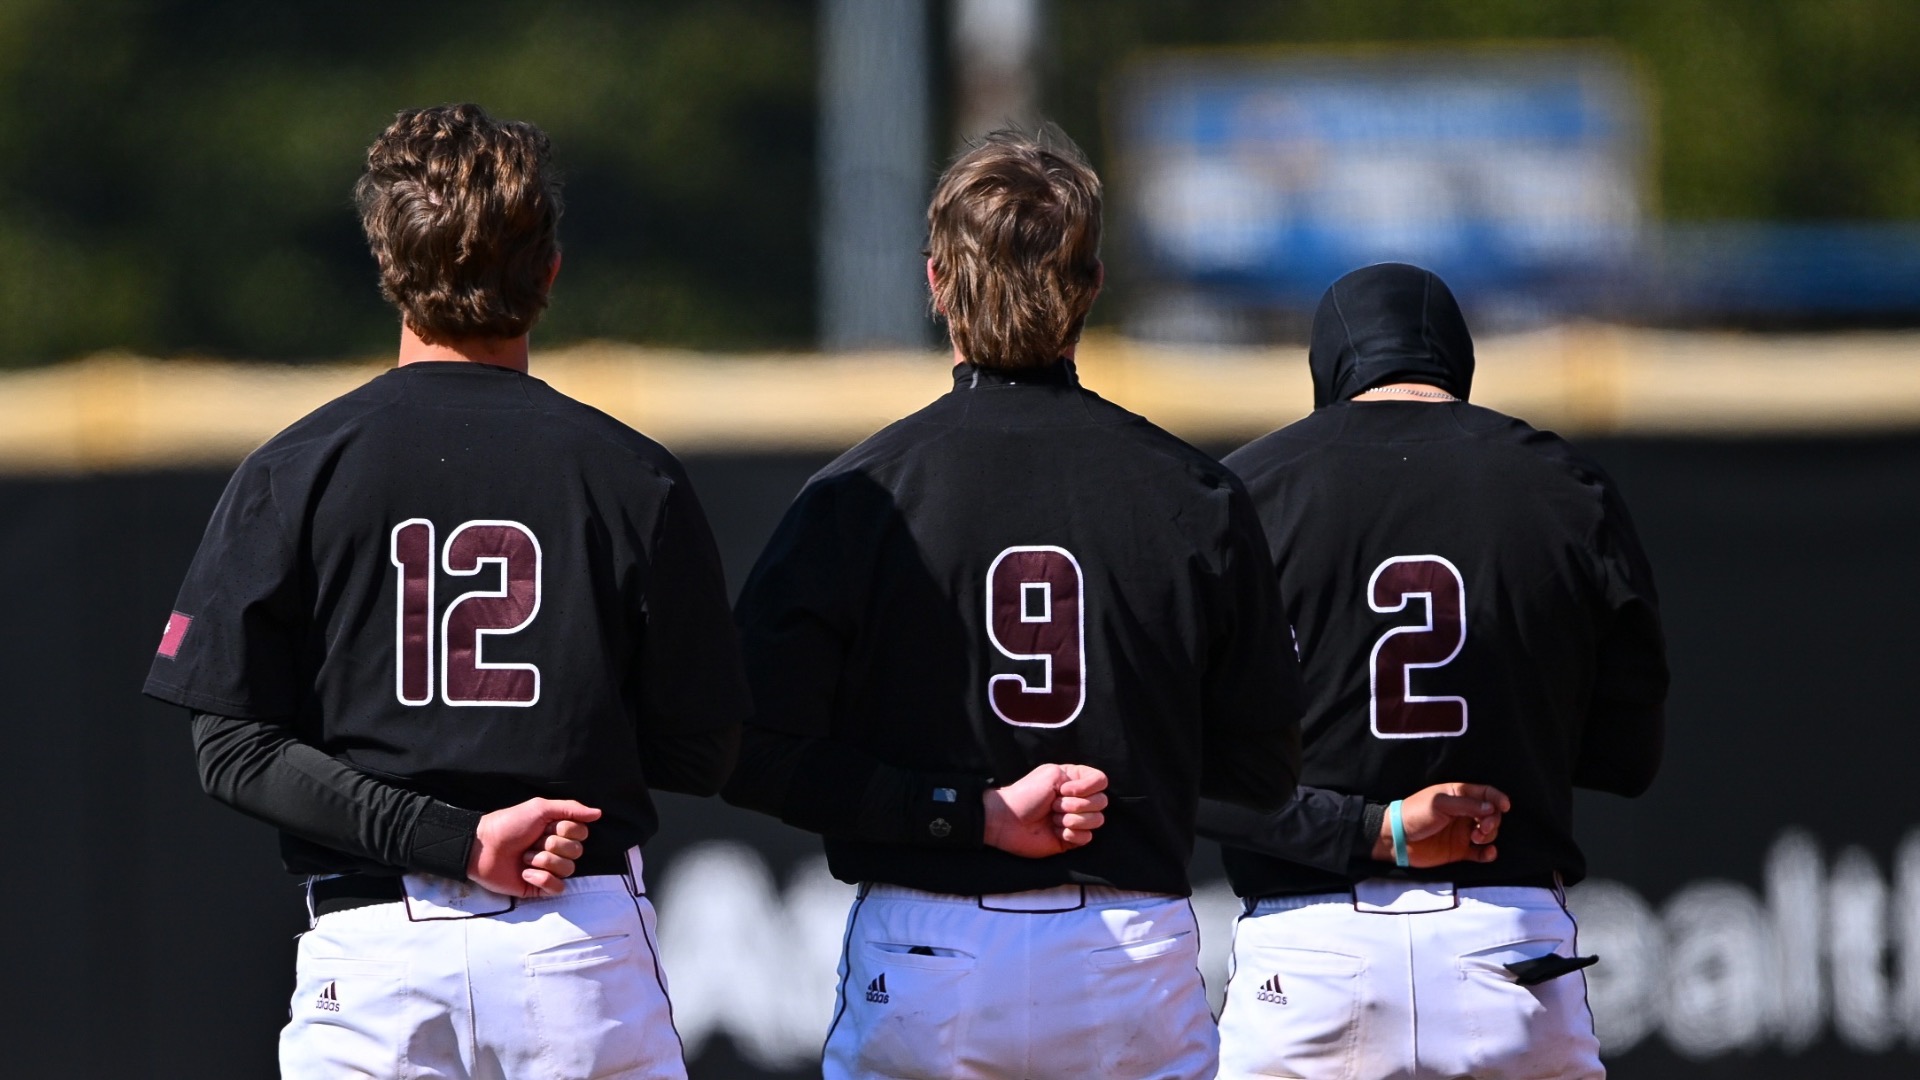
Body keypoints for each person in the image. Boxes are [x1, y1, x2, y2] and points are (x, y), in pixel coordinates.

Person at [142, 104, 749, 1079]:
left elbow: (232, 747)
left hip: (379, 951)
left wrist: (452, 839)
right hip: (572, 935)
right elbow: (703, 747)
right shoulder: (633, 475)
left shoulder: (295, 469)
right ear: (548, 271)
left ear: (387, 265)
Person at [722, 127, 1304, 1080]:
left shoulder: (861, 495)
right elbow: (1263, 770)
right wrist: (1130, 765)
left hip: (931, 941)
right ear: (1091, 283)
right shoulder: (1193, 493)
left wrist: (962, 810)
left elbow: (746, 752)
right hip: (1127, 941)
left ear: (937, 281)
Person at [1203, 262, 1668, 1080]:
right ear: (1457, 360)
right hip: (1506, 943)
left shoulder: (1245, 489)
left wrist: (1371, 827)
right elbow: (1627, 756)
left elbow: (1196, 774)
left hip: (1309, 950)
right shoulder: (1567, 485)